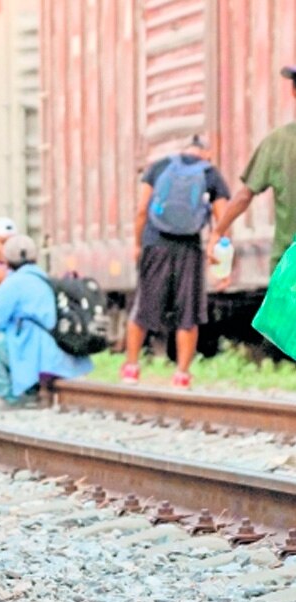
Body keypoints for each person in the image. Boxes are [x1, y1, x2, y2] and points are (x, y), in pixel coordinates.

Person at [121, 136, 230, 388]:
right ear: (207, 153)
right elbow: (222, 221)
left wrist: (137, 243)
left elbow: (141, 209)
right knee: (188, 312)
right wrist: (220, 259)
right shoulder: (211, 174)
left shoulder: (158, 166)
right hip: (188, 247)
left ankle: (131, 368)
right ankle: (182, 374)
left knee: (143, 305)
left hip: (154, 243)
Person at [0, 235, 92, 405]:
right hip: (62, 355)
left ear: (7, 259)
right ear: (35, 257)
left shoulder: (14, 283)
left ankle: (13, 397)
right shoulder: (46, 279)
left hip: (38, 358)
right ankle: (28, 389)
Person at [210, 65, 296, 275]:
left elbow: (244, 196)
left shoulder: (278, 142)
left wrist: (218, 232)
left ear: (293, 92)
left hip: (289, 268)